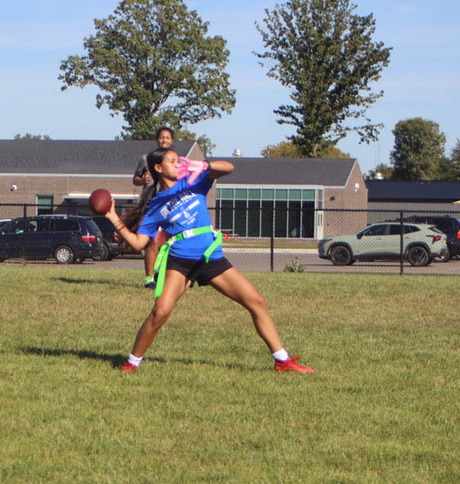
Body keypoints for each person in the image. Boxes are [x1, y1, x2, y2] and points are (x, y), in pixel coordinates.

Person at [106, 147, 314, 375]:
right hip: (181, 261)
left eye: (179, 160)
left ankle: (282, 361)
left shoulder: (193, 182)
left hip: (210, 257)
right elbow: (138, 243)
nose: (179, 164)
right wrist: (113, 217)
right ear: (158, 168)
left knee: (256, 301)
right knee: (160, 313)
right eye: (173, 161)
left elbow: (229, 168)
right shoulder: (156, 204)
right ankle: (131, 364)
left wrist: (204, 165)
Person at [132, 126, 207, 288]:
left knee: (178, 239)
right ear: (157, 140)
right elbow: (135, 179)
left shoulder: (177, 161)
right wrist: (143, 180)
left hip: (175, 207)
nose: (164, 140)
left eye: (167, 137)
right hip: (156, 206)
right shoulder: (147, 159)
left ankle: (185, 275)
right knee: (152, 241)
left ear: (172, 140)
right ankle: (149, 279)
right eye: (161, 137)